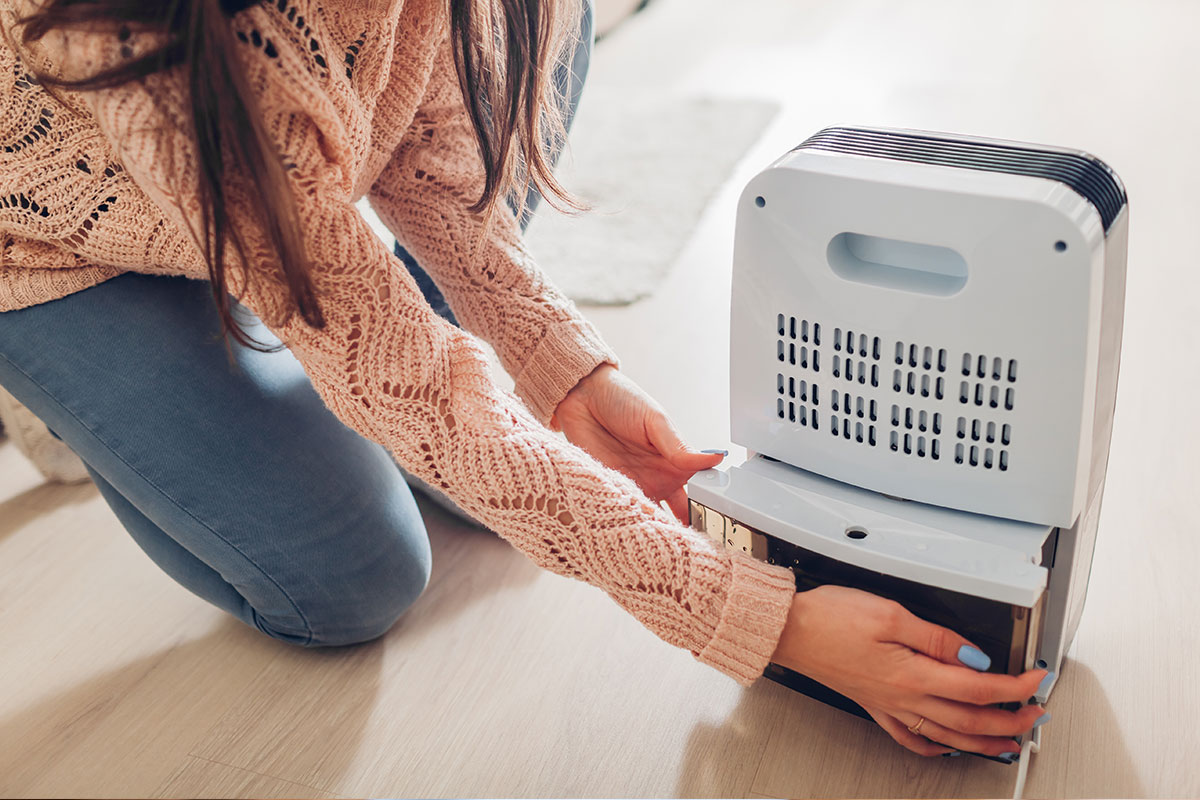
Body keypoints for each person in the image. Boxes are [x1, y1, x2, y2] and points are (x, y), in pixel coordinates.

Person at [0, 0, 1049, 761]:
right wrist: (756, 616)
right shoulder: (142, 38)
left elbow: (425, 151)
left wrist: (560, 370)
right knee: (353, 580)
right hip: (55, 239)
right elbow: (418, 395)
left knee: (545, 31)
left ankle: (300, 309)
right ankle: (142, 353)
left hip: (273, 196)